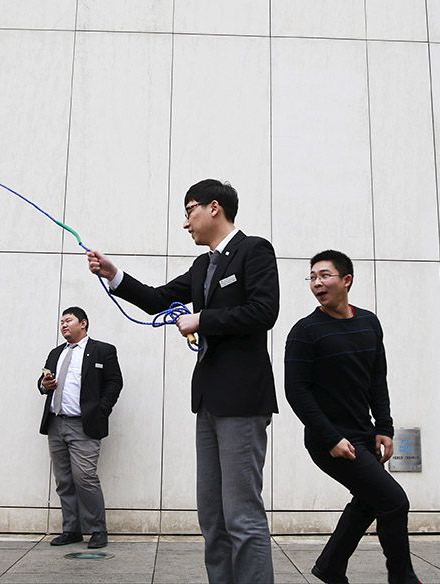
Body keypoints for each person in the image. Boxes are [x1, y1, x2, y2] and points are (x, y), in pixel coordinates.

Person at [87, 178, 279, 583]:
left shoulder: (254, 250)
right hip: (208, 402)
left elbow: (264, 311)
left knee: (242, 514)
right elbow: (159, 298)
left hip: (243, 400)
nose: (186, 223)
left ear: (214, 208)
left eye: (189, 210)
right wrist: (114, 274)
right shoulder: (202, 266)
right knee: (212, 515)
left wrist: (203, 319)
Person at [284, 250, 420, 584]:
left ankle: (330, 567)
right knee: (393, 501)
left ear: (346, 280)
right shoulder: (305, 332)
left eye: (324, 275)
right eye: (312, 277)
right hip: (328, 440)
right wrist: (330, 438)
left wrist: (384, 428)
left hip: (364, 434)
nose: (317, 283)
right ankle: (402, 578)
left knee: (368, 501)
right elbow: (296, 393)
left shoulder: (369, 323)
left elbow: (377, 378)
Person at [36, 306, 123, 549]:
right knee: (64, 480)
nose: (63, 325)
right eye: (61, 321)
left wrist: (101, 409)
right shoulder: (55, 353)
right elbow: (42, 383)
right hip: (56, 423)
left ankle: (97, 529)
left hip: (83, 425)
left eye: (68, 320)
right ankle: (71, 529)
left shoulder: (102, 350)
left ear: (83, 323)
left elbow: (115, 382)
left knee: (85, 477)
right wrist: (44, 384)